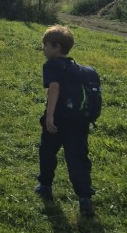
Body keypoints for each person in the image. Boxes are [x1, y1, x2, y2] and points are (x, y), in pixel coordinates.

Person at [36, 24, 96, 218]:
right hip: (80, 121)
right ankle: (85, 196)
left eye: (46, 45)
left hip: (58, 121)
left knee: (47, 152)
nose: (44, 49)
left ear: (57, 47)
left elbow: (54, 88)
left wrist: (50, 116)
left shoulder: (52, 66)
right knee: (78, 158)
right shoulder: (81, 70)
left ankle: (45, 186)